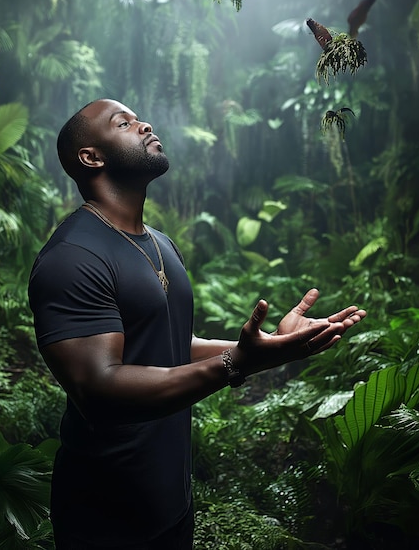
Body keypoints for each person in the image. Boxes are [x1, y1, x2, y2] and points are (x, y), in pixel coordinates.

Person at [28, 98, 367, 550]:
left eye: (139, 117)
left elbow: (171, 344)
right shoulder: (72, 257)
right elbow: (99, 389)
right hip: (105, 517)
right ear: (91, 157)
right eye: (123, 123)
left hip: (172, 504)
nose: (144, 123)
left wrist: (270, 346)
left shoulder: (160, 244)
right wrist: (237, 362)